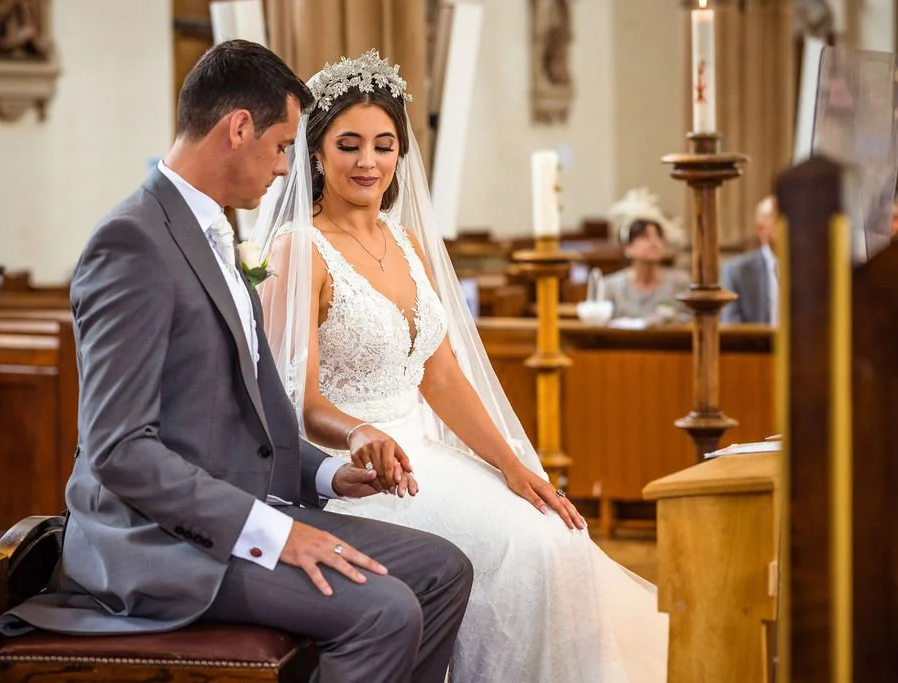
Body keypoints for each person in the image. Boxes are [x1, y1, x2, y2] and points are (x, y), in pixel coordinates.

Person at [0, 41, 473, 683]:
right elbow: (119, 450)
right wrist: (274, 534)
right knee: (384, 610)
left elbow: (239, 422)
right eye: (281, 146)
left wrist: (332, 476)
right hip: (159, 546)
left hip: (236, 517)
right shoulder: (132, 243)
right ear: (238, 128)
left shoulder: (215, 235)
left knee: (444, 570)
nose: (284, 169)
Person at [255, 50, 668, 683]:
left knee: (556, 535)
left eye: (384, 144)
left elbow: (441, 375)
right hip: (361, 477)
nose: (368, 161)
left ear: (401, 154)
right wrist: (361, 435)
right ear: (316, 152)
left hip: (430, 455)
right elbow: (298, 401)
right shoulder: (299, 249)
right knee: (518, 551)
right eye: (349, 144)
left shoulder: (406, 240)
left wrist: (511, 464)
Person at [602, 218, 690, 324]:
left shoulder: (680, 282)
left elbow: (691, 319)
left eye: (658, 236)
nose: (654, 243)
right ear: (627, 248)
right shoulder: (611, 286)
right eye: (644, 236)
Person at [721, 195, 779, 324]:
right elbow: (732, 330)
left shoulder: (809, 268)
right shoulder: (736, 272)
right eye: (778, 219)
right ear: (761, 229)